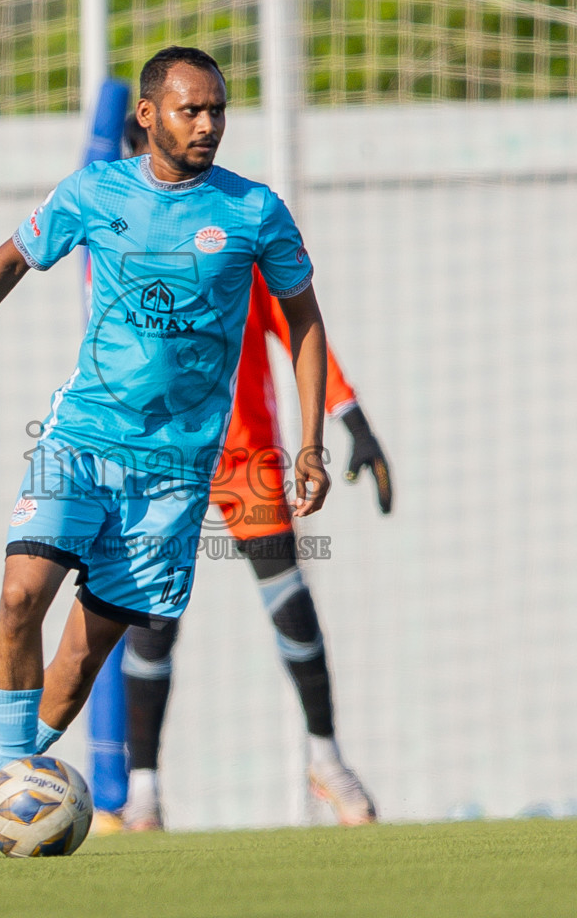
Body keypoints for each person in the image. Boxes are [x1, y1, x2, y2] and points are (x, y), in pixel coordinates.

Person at [0, 46, 333, 860]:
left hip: (177, 470)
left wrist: (312, 441)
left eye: (218, 110)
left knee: (86, 649)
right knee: (23, 593)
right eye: (191, 109)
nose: (208, 124)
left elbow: (303, 317)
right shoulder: (96, 193)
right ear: (148, 114)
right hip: (82, 439)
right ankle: (12, 776)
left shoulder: (253, 211)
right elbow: (11, 259)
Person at [108, 116, 391, 831]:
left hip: (247, 459)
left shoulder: (234, 232)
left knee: (291, 605)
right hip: (162, 460)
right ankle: (143, 791)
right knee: (151, 620)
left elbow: (297, 328)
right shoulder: (118, 242)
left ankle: (327, 760)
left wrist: (350, 421)